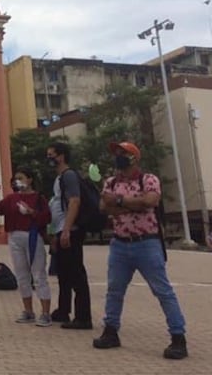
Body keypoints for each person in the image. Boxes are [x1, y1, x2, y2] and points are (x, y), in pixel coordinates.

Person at [93, 142, 188, 360]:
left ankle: (178, 336)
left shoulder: (148, 179)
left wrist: (119, 201)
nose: (118, 157)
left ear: (135, 157)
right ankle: (110, 331)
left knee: (163, 291)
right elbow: (103, 207)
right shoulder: (111, 181)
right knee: (114, 290)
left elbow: (150, 201)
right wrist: (134, 203)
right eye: (116, 153)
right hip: (119, 243)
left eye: (122, 153)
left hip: (146, 243)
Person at [0, 167, 52, 326]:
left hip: (32, 235)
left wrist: (31, 212)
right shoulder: (12, 198)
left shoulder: (38, 198)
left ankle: (45, 313)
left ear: (30, 179)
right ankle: (28, 310)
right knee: (22, 275)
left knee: (38, 275)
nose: (18, 181)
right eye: (16, 178)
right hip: (14, 236)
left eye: (21, 177)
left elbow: (46, 217)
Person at [47, 142, 92, 329]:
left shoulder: (69, 176)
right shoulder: (59, 178)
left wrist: (67, 229)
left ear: (62, 156)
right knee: (64, 273)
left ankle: (83, 316)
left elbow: (74, 201)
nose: (49, 159)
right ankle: (63, 310)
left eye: (51, 155)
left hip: (70, 231)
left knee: (76, 274)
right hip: (61, 230)